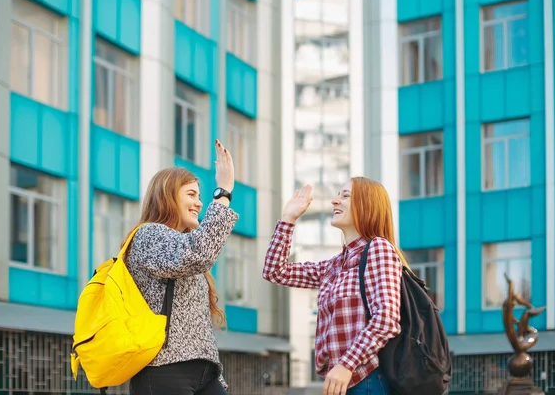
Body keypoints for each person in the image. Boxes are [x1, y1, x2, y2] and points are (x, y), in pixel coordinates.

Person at [263, 178, 405, 395]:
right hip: (342, 382)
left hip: (368, 379)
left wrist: (347, 364)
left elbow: (386, 319)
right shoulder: (334, 266)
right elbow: (275, 271)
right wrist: (288, 219)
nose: (334, 201)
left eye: (345, 196)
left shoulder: (379, 248)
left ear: (367, 205)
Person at [124, 139, 238, 395]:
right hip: (164, 371)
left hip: (204, 373)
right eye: (191, 194)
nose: (199, 203)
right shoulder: (148, 236)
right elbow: (198, 253)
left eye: (200, 196)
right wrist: (223, 192)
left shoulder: (181, 244)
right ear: (167, 197)